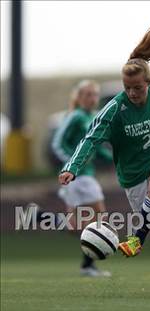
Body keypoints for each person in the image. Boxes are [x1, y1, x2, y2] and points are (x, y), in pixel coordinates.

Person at [58, 21, 150, 297]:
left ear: (149, 82)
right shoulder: (114, 109)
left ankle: (137, 239)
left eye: (137, 87)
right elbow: (90, 138)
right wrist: (72, 167)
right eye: (127, 88)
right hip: (133, 177)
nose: (132, 93)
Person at [51, 80, 113, 277]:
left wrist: (114, 159)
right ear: (78, 97)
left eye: (94, 94)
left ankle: (38, 216)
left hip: (86, 175)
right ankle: (88, 265)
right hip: (77, 176)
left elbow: (94, 147)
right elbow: (57, 143)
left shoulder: (92, 116)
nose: (92, 98)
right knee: (100, 219)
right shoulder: (76, 116)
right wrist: (72, 165)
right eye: (87, 94)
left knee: (75, 227)